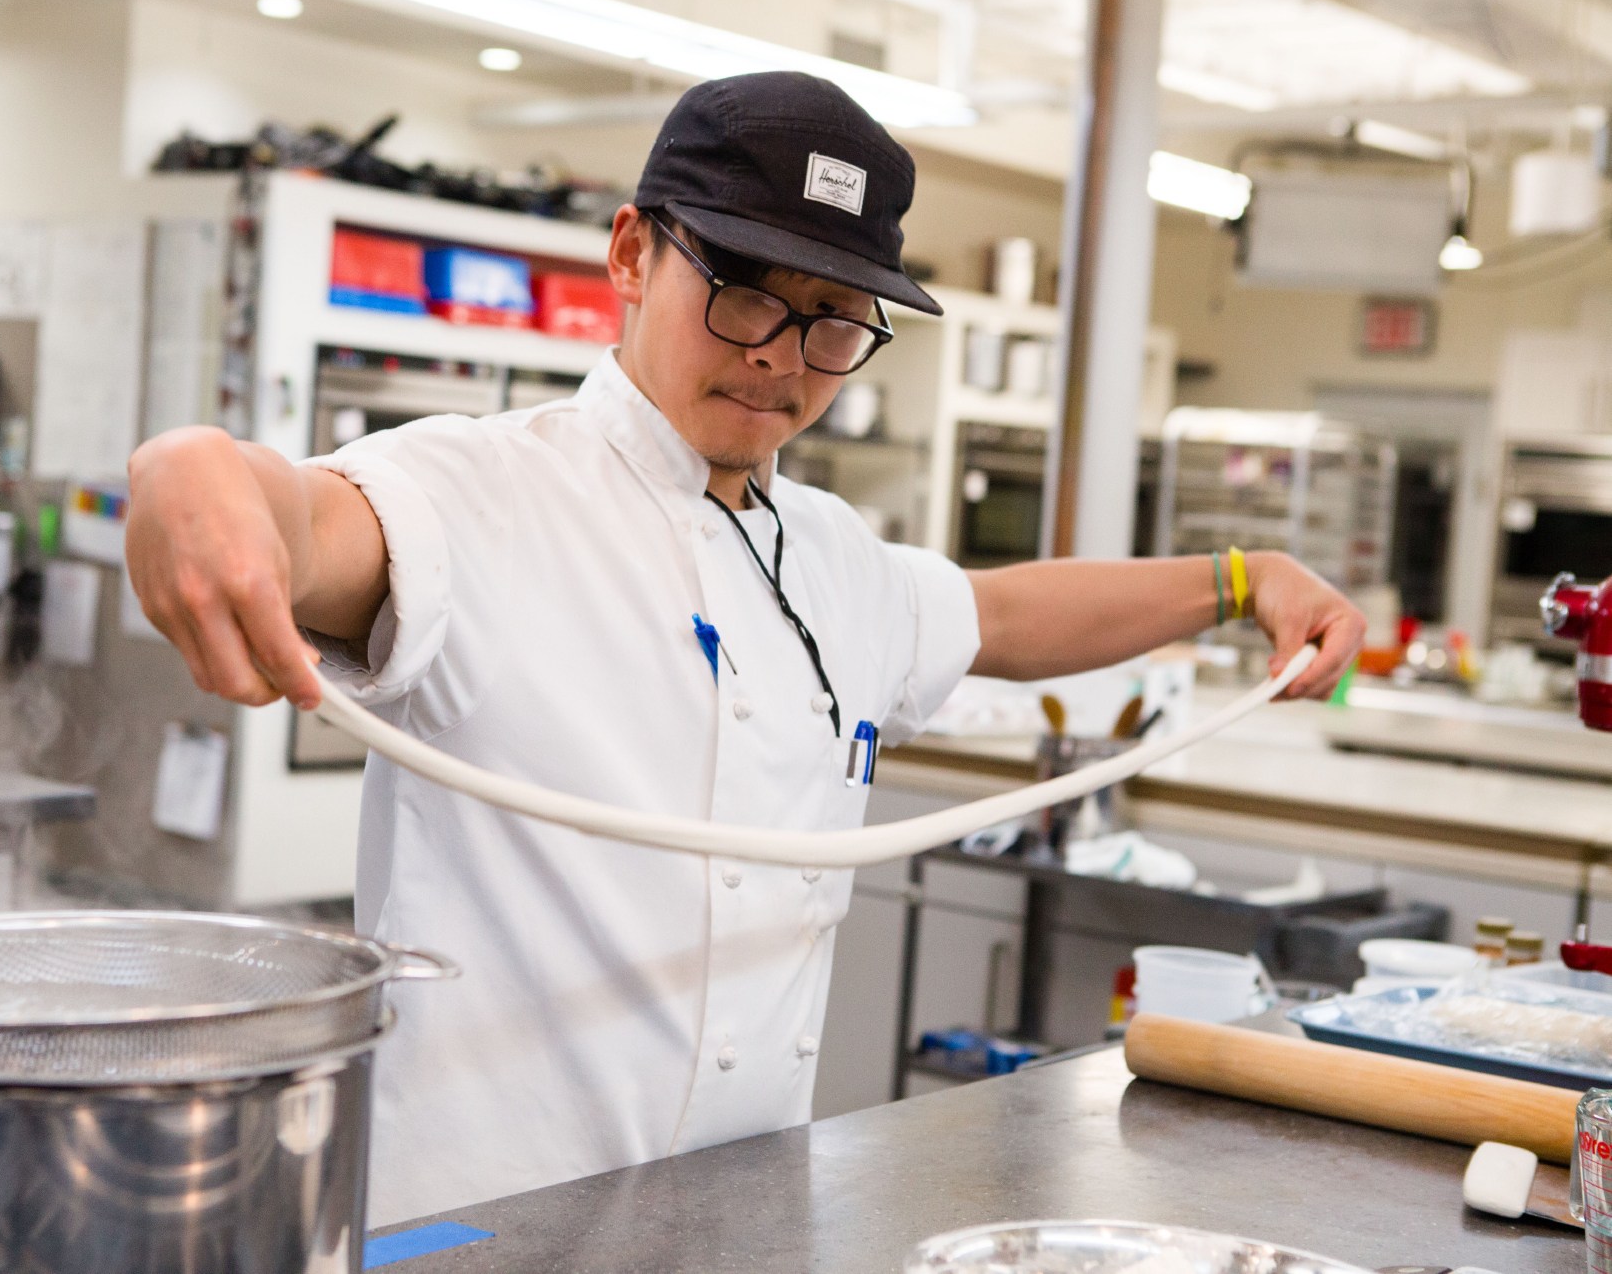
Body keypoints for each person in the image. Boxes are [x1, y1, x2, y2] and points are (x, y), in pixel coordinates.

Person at [125, 71, 1365, 1224]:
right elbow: (308, 521)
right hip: (478, 1220)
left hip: (744, 1222)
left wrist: (1241, 580)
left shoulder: (828, 552)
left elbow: (1005, 614)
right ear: (630, 251)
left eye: (833, 322)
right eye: (744, 289)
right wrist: (194, 471)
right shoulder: (477, 490)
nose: (779, 353)